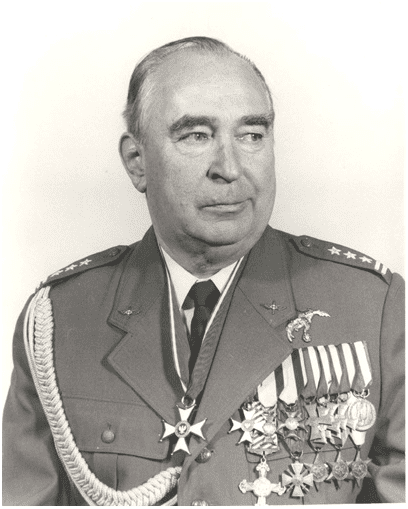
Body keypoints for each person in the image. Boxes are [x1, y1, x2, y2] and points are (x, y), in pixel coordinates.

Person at [3, 36, 405, 506]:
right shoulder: (61, 321)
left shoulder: (372, 309)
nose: (230, 168)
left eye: (252, 135)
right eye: (196, 135)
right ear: (136, 162)